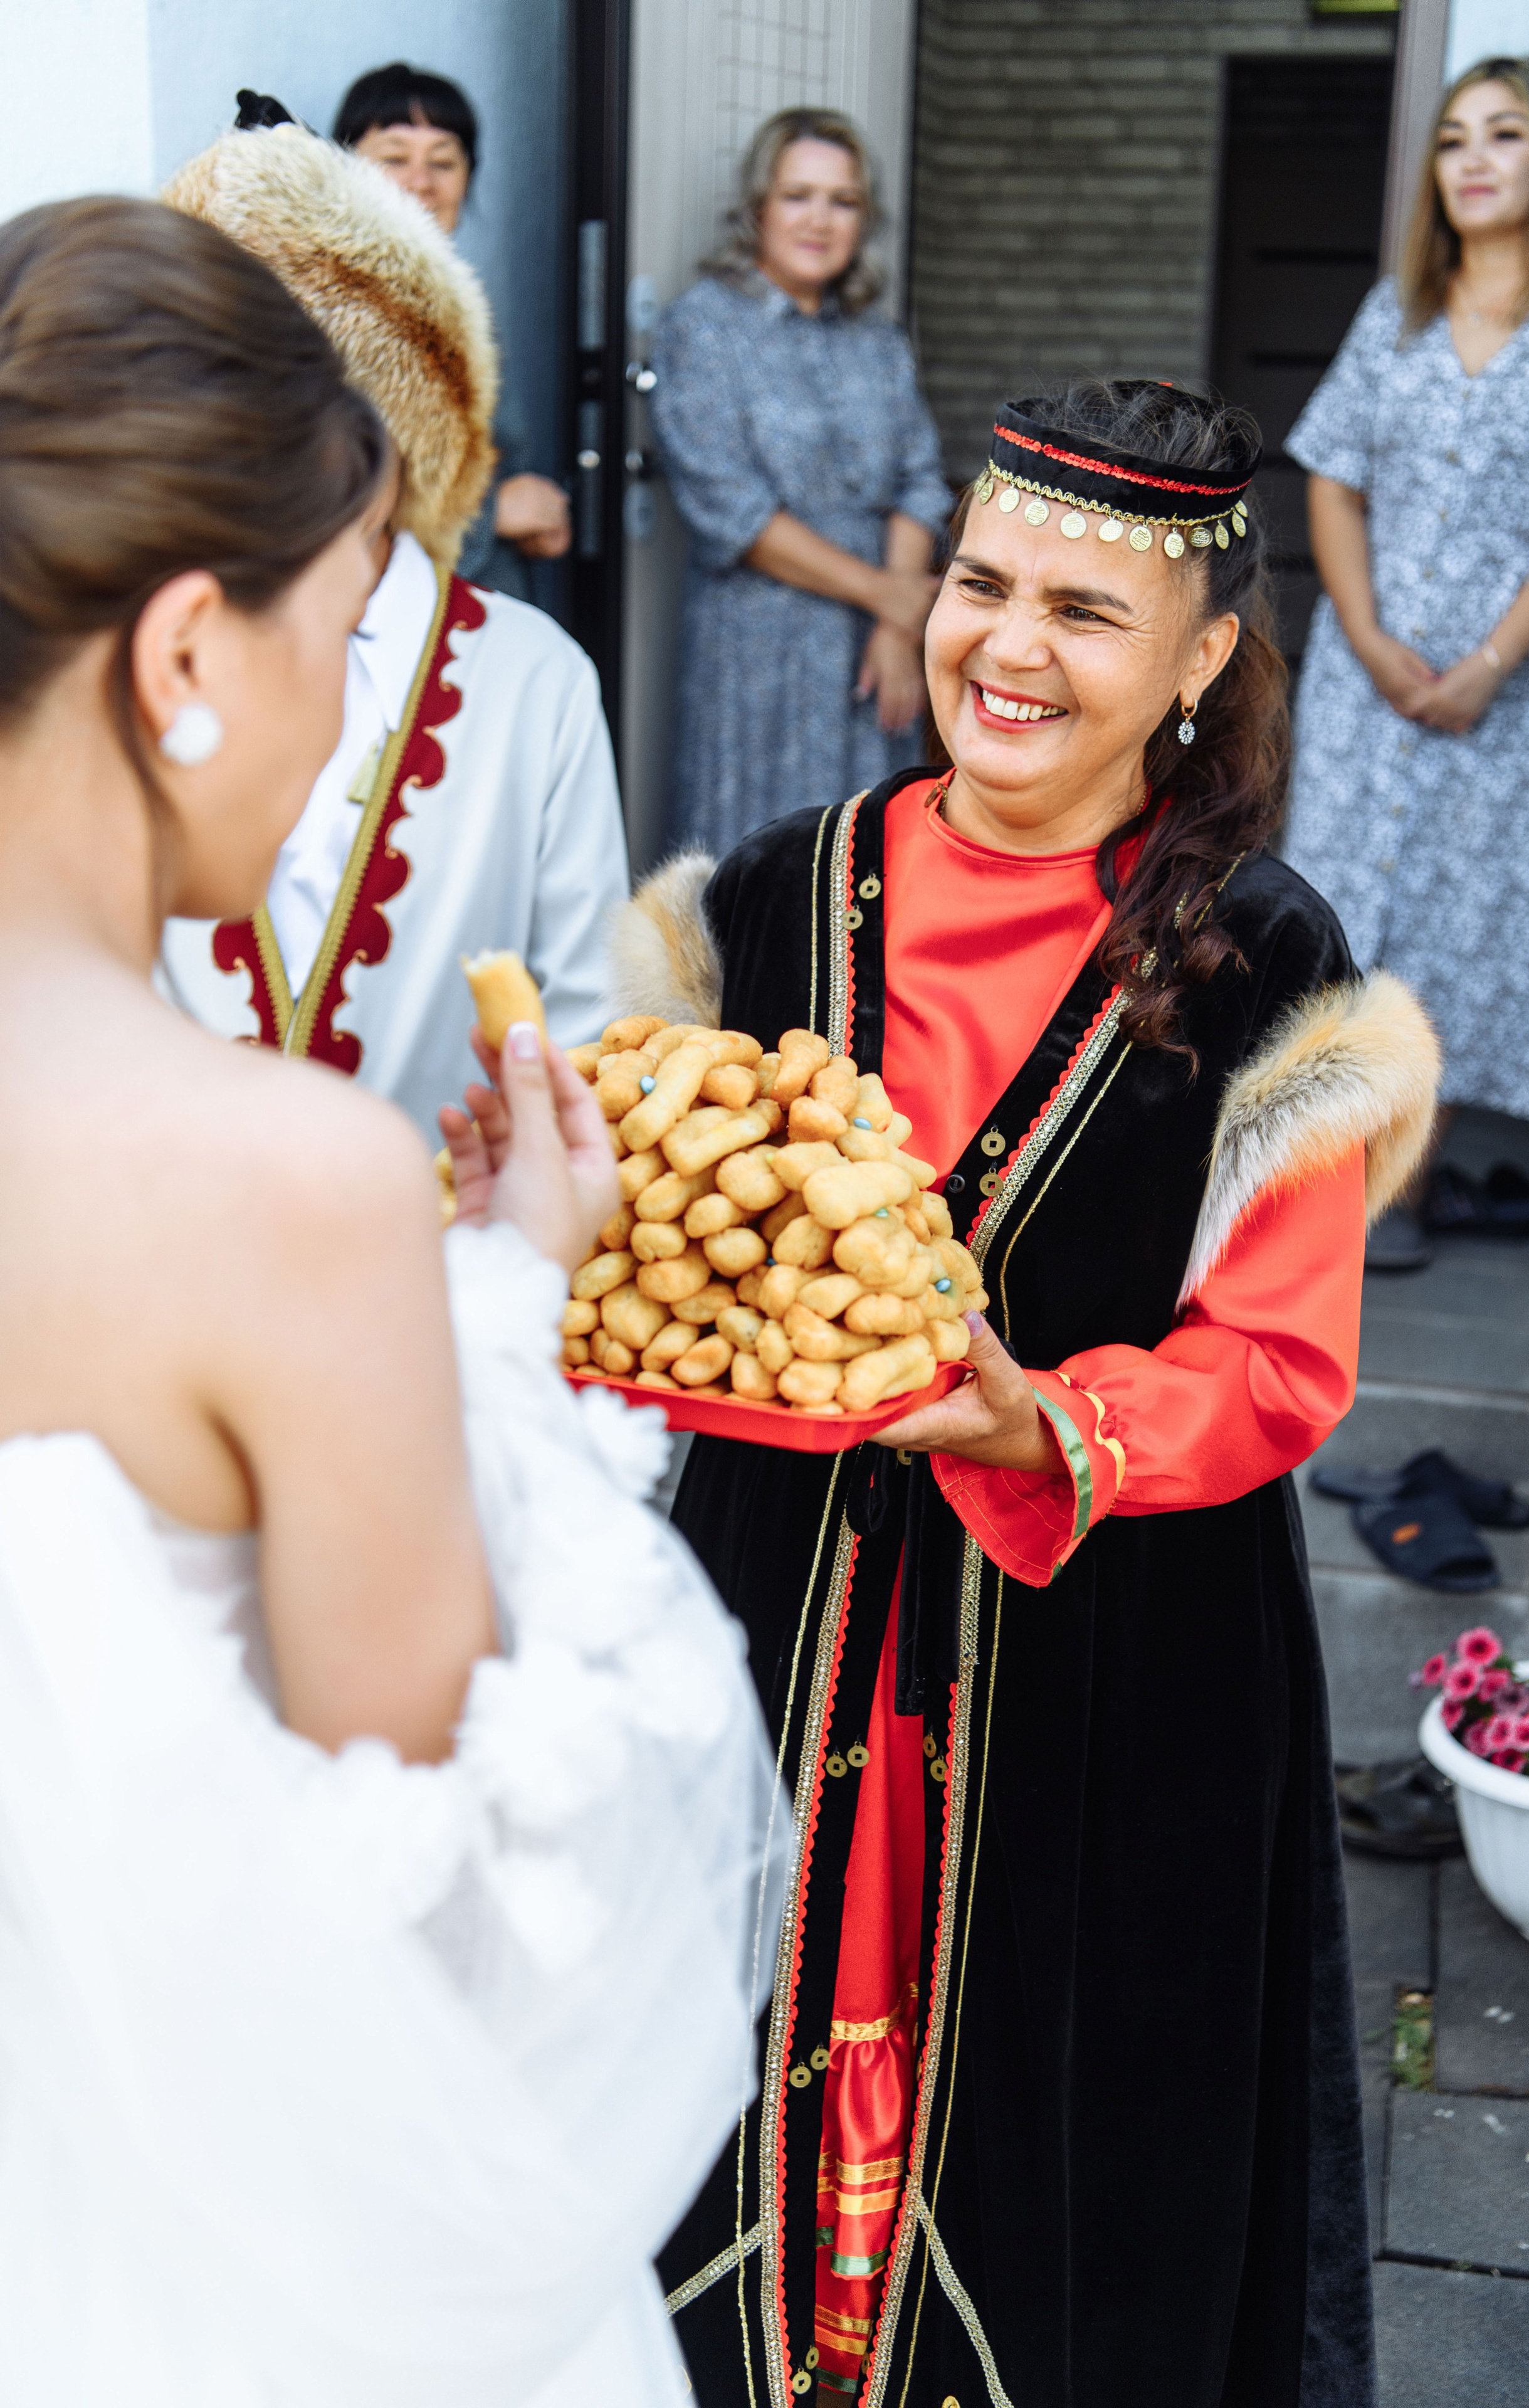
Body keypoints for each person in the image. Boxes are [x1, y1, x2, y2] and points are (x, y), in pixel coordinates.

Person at [0, 193, 772, 2404]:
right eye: (346, 636)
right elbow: (458, 1935)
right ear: (178, 659)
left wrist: (481, 1283)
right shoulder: (287, 1193)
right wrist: (508, 1324)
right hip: (208, 2276)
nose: (362, 704)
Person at [617, 378, 1441, 2405]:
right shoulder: (766, 902)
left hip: (1110, 1666)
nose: (1005, 644)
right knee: (701, 2114)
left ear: (1205, 660)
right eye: (984, 582)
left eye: (1086, 611)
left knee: (1074, 2182)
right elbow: (651, 1242)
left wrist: (1041, 1419)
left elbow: (1277, 1360)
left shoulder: (1270, 963)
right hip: (773, 1616)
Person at [160, 120, 627, 1139]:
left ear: (393, 425)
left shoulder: (529, 678)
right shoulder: (145, 658)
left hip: (452, 1263)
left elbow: (594, 1023)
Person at [1283, 55, 1529, 1270]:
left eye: (1502, 134)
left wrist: (1482, 664)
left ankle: (1402, 1179)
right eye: (1451, 137)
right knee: (1344, 902)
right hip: (1370, 679)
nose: (1470, 158)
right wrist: (1363, 639)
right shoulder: (1396, 312)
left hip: (1507, 693)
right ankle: (1323, 1172)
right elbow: (1330, 472)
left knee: (1469, 920)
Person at [650, 107, 952, 856]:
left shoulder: (878, 340)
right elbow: (733, 513)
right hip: (757, 645)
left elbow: (919, 479)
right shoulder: (702, 326)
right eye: (798, 196)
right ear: (757, 207)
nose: (820, 219)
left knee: (865, 856)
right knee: (755, 854)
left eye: (842, 201)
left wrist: (893, 626)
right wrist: (887, 596)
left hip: (872, 648)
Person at [334, 57, 572, 591]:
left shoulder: (463, 301)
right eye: (394, 158)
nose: (421, 182)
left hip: (482, 601)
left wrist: (537, 512)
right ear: (343, 175)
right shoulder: (328, 311)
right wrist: (495, 513)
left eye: (444, 162)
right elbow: (337, 491)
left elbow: (503, 453)